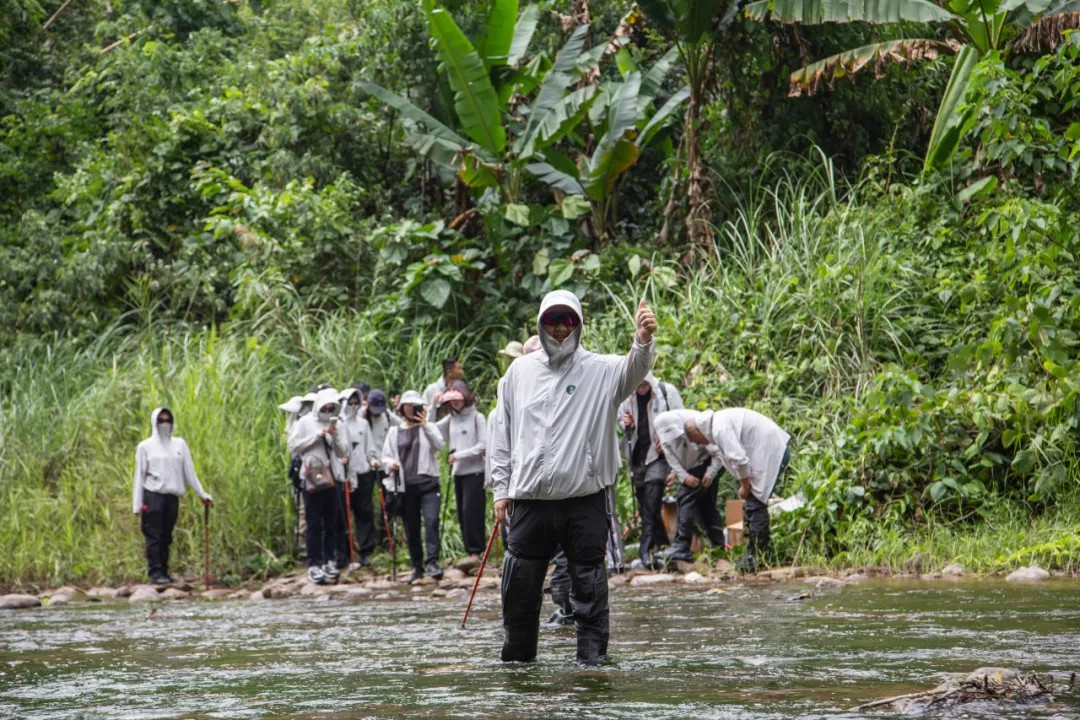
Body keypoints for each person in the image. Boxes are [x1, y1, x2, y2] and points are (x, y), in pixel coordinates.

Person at [490, 290, 656, 665]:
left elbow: (634, 367)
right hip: (530, 500)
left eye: (568, 320)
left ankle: (592, 668)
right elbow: (503, 432)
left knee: (589, 589)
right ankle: (518, 671)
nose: (561, 328)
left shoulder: (601, 370)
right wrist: (502, 489)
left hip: (585, 499)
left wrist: (643, 340)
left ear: (578, 324)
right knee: (519, 593)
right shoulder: (519, 372)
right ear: (541, 323)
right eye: (553, 320)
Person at [684, 409, 791, 572]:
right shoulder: (716, 425)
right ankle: (755, 555)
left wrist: (745, 486)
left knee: (756, 506)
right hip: (764, 452)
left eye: (698, 440)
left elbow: (739, 460)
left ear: (697, 431)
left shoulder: (719, 429)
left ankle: (757, 559)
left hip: (771, 452)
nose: (702, 443)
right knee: (752, 505)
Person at [132, 407, 213, 585]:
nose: (164, 424)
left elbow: (189, 473)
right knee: (154, 535)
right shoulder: (145, 446)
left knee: (166, 535)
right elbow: (139, 475)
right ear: (154, 422)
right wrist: (137, 504)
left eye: (168, 420)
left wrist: (202, 494)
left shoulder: (179, 445)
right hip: (153, 495)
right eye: (161, 421)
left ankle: (165, 571)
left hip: (172, 497)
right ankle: (155, 573)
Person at [619, 374, 684, 569]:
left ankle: (645, 550)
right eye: (637, 381)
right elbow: (619, 425)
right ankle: (663, 547)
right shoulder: (624, 396)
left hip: (659, 456)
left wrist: (667, 439)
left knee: (652, 499)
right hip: (637, 457)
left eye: (644, 381)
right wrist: (625, 424)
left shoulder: (666, 393)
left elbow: (682, 422)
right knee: (646, 505)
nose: (640, 385)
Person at [382, 391, 446, 583]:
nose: (411, 408)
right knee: (412, 528)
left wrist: (425, 424)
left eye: (415, 405)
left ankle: (432, 563)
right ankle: (417, 567)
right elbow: (386, 455)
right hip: (405, 487)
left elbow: (439, 445)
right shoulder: (395, 431)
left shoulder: (429, 427)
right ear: (402, 408)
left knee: (431, 521)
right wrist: (390, 463)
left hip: (428, 484)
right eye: (408, 405)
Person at [288, 387, 349, 585]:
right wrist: (318, 436)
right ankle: (313, 563)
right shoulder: (305, 422)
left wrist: (335, 435)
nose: (328, 409)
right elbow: (294, 446)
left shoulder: (336, 423)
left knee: (330, 523)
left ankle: (329, 561)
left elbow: (343, 454)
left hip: (331, 479)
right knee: (314, 524)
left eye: (332, 407)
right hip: (311, 478)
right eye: (326, 406)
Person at [654, 409, 725, 564]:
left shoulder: (696, 426)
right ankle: (719, 548)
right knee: (705, 507)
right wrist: (683, 477)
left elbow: (719, 452)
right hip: (690, 468)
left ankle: (682, 546)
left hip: (708, 462)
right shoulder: (663, 433)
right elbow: (671, 457)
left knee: (685, 497)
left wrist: (710, 473)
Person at [436, 380, 488, 557]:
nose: (456, 403)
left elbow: (483, 445)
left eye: (458, 398)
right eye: (452, 400)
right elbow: (432, 430)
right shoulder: (450, 419)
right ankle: (469, 550)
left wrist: (458, 455)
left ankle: (477, 550)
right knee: (462, 512)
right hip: (458, 473)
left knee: (472, 511)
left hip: (475, 472)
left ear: (466, 397)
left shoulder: (477, 417)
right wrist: (432, 406)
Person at [338, 387, 377, 569]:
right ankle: (345, 553)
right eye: (350, 403)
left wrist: (373, 460)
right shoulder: (339, 424)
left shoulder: (363, 424)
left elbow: (369, 447)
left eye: (356, 403)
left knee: (364, 513)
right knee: (344, 515)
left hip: (363, 473)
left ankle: (365, 551)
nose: (353, 406)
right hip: (345, 475)